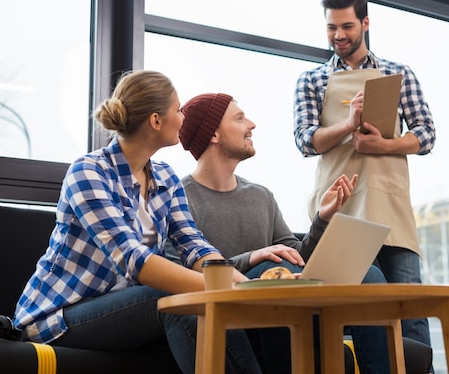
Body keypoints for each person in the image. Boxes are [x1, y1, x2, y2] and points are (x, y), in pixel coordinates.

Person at [13, 71, 262, 374]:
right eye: (178, 109)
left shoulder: (166, 178)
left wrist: (244, 286)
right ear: (156, 121)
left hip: (122, 310)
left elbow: (194, 246)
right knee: (177, 296)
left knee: (200, 303)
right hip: (58, 317)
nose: (183, 117)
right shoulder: (89, 172)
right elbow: (133, 259)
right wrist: (219, 292)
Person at [173, 92, 391, 374]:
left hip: (292, 303)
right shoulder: (179, 197)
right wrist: (253, 257)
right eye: (239, 118)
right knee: (271, 269)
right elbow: (179, 272)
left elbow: (297, 258)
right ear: (213, 134)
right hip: (236, 310)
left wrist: (323, 219)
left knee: (368, 272)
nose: (251, 124)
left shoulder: (261, 195)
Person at [293, 0, 436, 351]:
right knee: (354, 312)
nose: (338, 36)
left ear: (365, 23)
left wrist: (383, 145)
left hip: (391, 206)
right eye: (331, 28)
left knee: (410, 309)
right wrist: (348, 125)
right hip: (341, 208)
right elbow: (305, 140)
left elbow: (427, 134)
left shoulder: (398, 73)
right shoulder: (312, 80)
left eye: (347, 26)